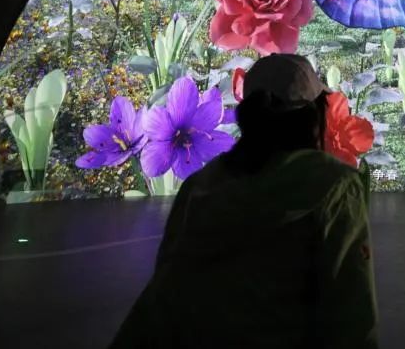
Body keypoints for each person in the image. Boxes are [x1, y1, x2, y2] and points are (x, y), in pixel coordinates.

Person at [110, 54, 378, 348]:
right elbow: (352, 313)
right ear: (314, 116)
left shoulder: (200, 186)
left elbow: (163, 296)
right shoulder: (335, 187)